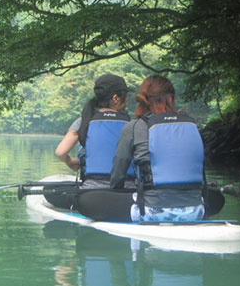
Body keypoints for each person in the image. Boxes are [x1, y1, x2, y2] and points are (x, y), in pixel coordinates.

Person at [77, 75, 207, 222]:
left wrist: (117, 191)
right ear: (170, 99)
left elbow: (118, 174)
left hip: (152, 211)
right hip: (196, 210)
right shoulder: (192, 125)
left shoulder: (134, 126)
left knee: (86, 200)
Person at [46, 74, 134, 209]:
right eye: (125, 95)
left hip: (92, 195)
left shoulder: (84, 121)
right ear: (116, 98)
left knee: (49, 190)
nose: (127, 100)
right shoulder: (132, 124)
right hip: (127, 193)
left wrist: (70, 161)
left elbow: (60, 152)